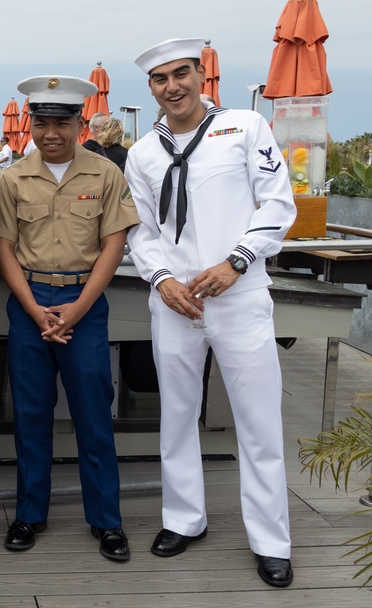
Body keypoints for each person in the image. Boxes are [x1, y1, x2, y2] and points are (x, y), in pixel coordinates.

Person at [126, 38, 297, 588]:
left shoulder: (245, 127)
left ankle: (271, 541)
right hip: (175, 301)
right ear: (149, 87)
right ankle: (183, 519)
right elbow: (141, 230)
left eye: (181, 73)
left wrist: (237, 261)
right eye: (160, 79)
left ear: (202, 75)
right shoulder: (141, 154)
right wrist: (160, 278)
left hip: (239, 293)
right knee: (176, 416)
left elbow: (277, 204)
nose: (172, 86)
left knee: (258, 421)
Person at [0, 75, 138, 563]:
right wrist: (34, 310)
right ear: (30, 123)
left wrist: (78, 307)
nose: (51, 133)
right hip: (30, 301)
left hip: (85, 304)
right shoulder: (11, 178)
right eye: (42, 123)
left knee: (94, 416)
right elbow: (4, 248)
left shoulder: (104, 174)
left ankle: (106, 520)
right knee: (30, 416)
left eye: (62, 123)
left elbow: (114, 244)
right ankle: (30, 513)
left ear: (80, 123)